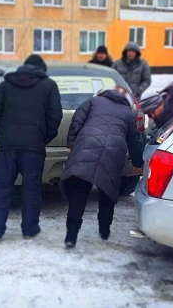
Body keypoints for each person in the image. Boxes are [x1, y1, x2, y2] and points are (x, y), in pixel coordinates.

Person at [0, 54, 63, 242]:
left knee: (1, 187)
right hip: (34, 146)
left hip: (8, 146)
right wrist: (42, 138)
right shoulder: (49, 86)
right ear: (42, 70)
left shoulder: (6, 85)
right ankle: (29, 229)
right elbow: (55, 116)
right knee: (31, 188)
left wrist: (2, 138)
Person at [61, 86, 144, 248]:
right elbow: (135, 140)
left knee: (79, 192)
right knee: (107, 191)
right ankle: (104, 230)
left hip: (87, 144)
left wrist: (71, 143)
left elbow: (77, 120)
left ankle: (71, 236)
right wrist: (137, 163)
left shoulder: (93, 101)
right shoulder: (127, 112)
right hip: (113, 150)